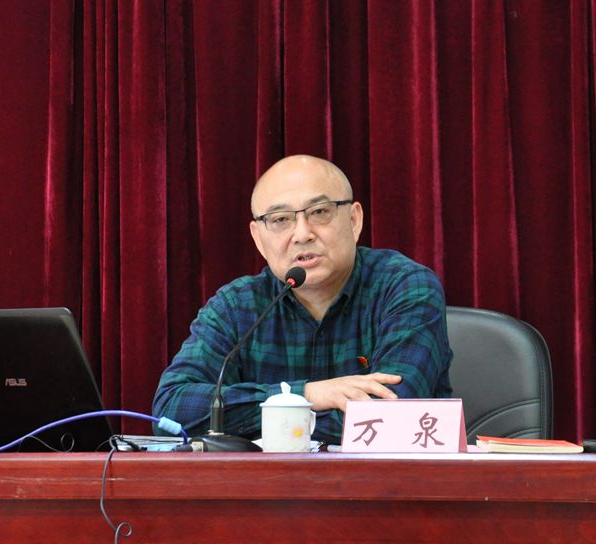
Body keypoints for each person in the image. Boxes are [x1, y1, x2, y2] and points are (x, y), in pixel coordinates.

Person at [152, 155, 452, 443]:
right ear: (258, 238)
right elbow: (171, 411)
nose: (302, 234)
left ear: (354, 220)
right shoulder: (236, 306)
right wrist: (305, 395)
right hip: (268, 481)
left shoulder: (405, 287)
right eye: (280, 219)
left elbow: (390, 413)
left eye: (319, 212)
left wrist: (264, 419)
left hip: (383, 478)